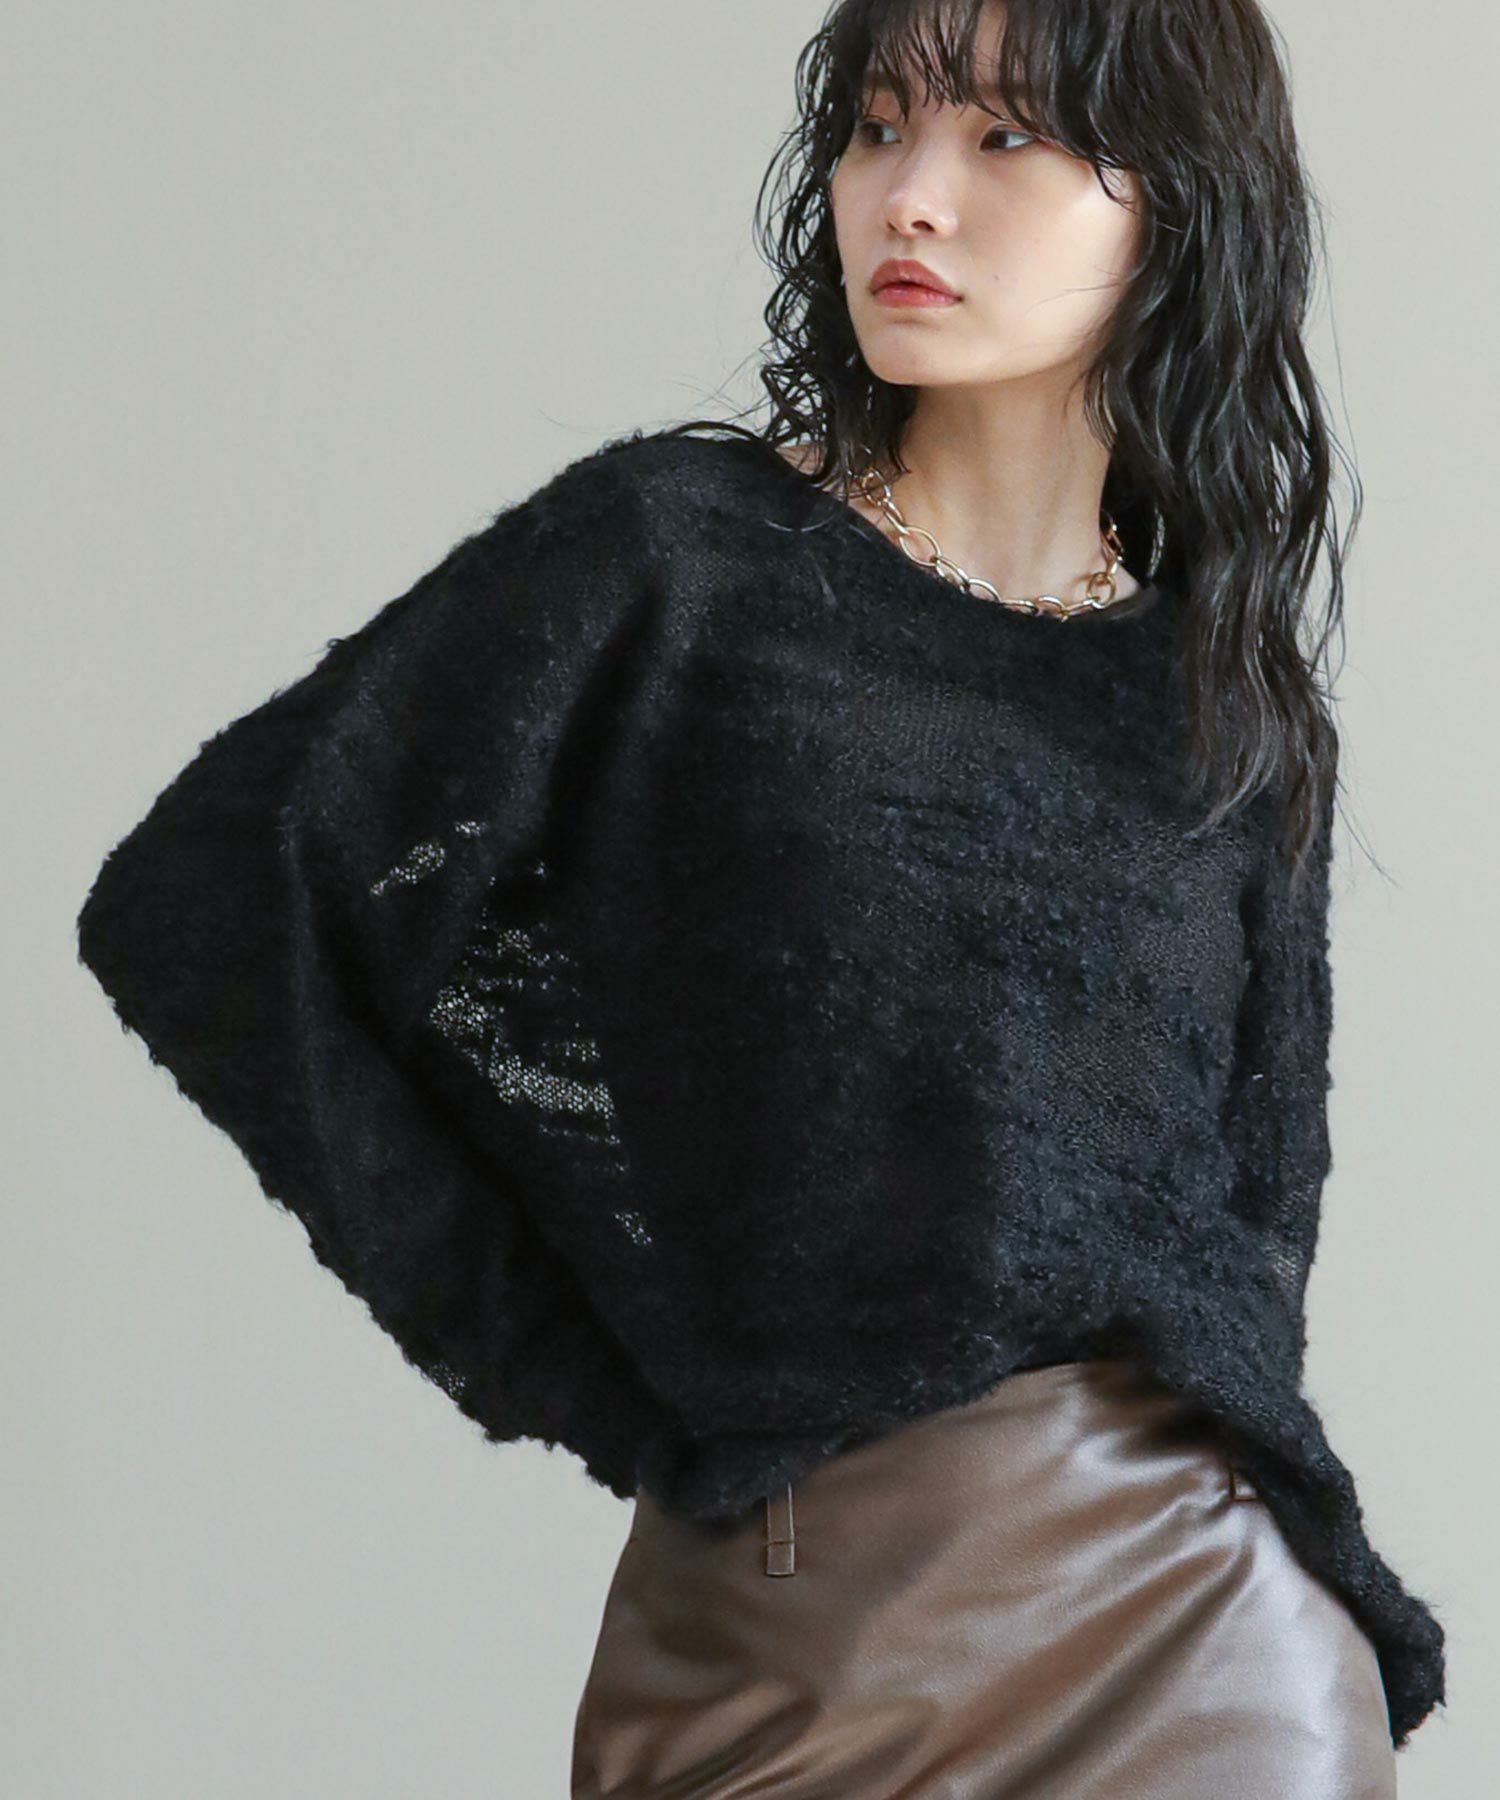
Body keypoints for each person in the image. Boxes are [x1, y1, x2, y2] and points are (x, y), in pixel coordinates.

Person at [76, 0, 1446, 1793]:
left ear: (1178, 206)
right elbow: (213, 895)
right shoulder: (675, 560)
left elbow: (1260, 1239)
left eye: (1004, 138)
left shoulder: (1226, 701)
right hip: (793, 1625)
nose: (910, 196)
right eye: (878, 127)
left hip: (1207, 1637)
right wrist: (558, 1351)